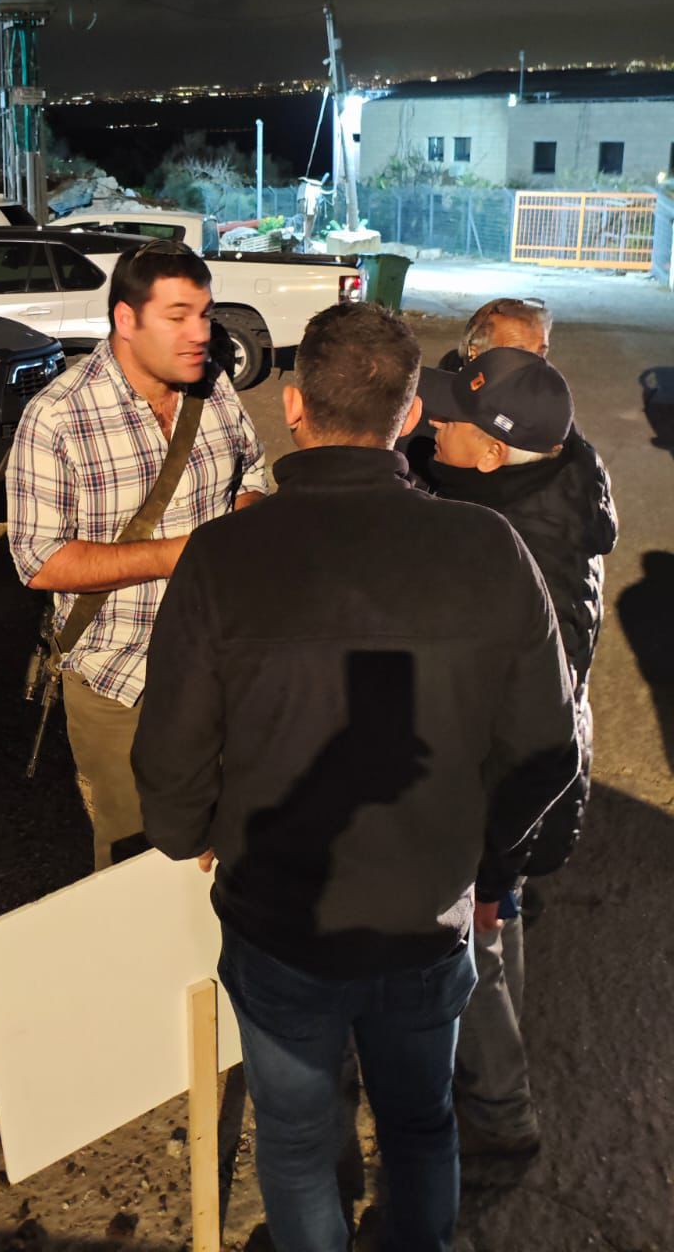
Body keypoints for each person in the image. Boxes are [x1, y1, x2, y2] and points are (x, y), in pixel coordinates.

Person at [133, 302, 580, 1252]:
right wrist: (480, 855)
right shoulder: (487, 549)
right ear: (410, 415)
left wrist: (193, 831)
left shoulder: (222, 556)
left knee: (297, 1141)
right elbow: (546, 745)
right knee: (421, 1124)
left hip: (279, 919)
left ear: (293, 407)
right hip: (426, 918)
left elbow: (171, 753)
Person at [7, 240, 267, 870]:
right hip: (121, 681)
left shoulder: (214, 385)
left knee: (233, 837)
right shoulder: (57, 417)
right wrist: (179, 555)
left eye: (205, 314)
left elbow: (254, 472)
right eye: (178, 316)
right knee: (139, 857)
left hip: (228, 667)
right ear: (126, 318)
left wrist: (243, 522)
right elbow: (39, 561)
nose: (200, 333)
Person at [419, 347, 617, 1157]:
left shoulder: (524, 554)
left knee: (475, 951)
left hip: (500, 801)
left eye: (449, 421)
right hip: (516, 801)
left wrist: (495, 865)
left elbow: (533, 740)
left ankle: (502, 1124)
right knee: (497, 944)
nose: (433, 425)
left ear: (494, 452)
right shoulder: (553, 481)